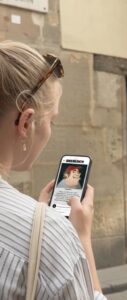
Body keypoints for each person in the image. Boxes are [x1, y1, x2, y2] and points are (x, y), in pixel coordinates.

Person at [0, 41, 107, 299]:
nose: (50, 130)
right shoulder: (50, 234)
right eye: (52, 121)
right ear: (26, 122)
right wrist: (79, 237)